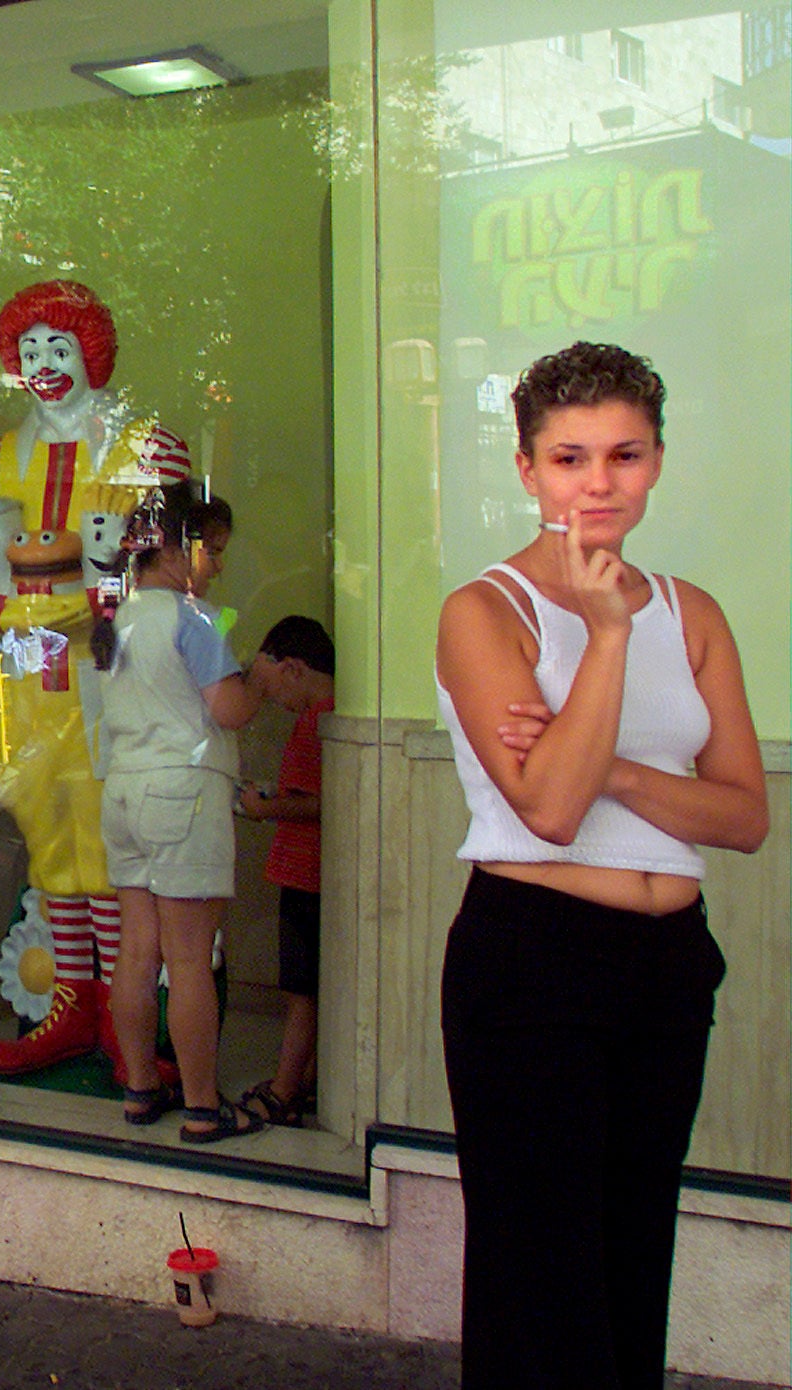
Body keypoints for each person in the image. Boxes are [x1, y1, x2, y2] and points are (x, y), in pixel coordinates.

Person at [434, 342, 765, 1390]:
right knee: (541, 1283)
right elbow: (548, 806)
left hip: (667, 962)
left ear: (656, 462)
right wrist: (608, 636)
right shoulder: (483, 612)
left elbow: (744, 814)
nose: (596, 481)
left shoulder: (695, 611)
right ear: (526, 469)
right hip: (533, 957)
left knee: (630, 1259)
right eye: (568, 457)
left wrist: (616, 766)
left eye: (621, 454)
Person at [0, 280, 190, 1079]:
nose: (44, 365)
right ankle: (71, 1006)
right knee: (51, 836)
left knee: (110, 842)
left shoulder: (147, 445)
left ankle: (126, 1021)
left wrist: (103, 595)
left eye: (58, 347)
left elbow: (176, 558)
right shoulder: (2, 454)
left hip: (116, 675)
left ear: (90, 352)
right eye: (29, 351)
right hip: (33, 682)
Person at [95, 482, 265, 1143]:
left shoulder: (119, 618)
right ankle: (201, 1106)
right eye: (214, 550)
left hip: (125, 794)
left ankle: (141, 1089)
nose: (218, 565)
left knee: (135, 955)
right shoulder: (194, 619)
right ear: (176, 547)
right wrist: (264, 684)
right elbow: (229, 710)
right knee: (190, 959)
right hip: (183, 793)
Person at [235, 615, 335, 1129]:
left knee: (301, 991)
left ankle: (284, 1089)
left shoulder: (320, 719)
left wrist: (262, 808)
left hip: (307, 877)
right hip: (307, 874)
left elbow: (317, 804)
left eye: (273, 691)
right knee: (310, 988)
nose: (275, 702)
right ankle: (306, 1080)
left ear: (293, 668)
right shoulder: (321, 715)